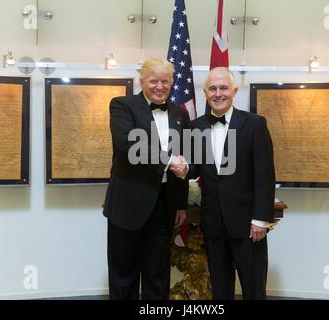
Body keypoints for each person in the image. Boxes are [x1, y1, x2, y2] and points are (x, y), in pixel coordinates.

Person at [172, 67, 275, 300]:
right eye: (213, 89)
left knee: (254, 289)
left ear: (234, 91)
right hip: (214, 224)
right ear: (205, 92)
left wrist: (260, 220)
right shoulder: (196, 126)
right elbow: (197, 167)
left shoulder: (255, 124)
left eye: (224, 88)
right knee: (219, 289)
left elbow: (265, 175)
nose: (218, 93)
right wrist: (184, 167)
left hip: (249, 226)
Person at [103, 58, 190, 300]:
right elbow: (127, 145)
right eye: (154, 81)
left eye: (165, 81)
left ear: (172, 83)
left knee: (158, 273)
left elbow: (183, 154)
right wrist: (168, 160)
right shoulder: (122, 105)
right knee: (124, 274)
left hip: (163, 205)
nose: (160, 86)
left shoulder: (179, 113)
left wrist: (181, 202)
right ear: (142, 81)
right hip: (127, 203)